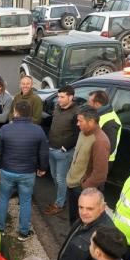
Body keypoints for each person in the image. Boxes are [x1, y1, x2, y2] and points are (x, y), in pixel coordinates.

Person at [0, 101, 49, 241]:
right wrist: (42, 168)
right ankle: (24, 232)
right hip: (28, 173)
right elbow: (43, 153)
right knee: (25, 201)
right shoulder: (38, 130)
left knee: (3, 198)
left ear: (16, 112)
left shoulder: (5, 129)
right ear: (29, 113)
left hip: (7, 170)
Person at [56, 188, 113, 260]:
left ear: (102, 207)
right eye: (81, 207)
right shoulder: (84, 220)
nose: (83, 212)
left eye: (90, 209)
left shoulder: (104, 235)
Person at [65, 107, 110, 224]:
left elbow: (100, 174)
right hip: (73, 183)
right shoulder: (83, 132)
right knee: (74, 218)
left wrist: (84, 187)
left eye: (80, 121)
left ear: (91, 122)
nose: (77, 123)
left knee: (81, 221)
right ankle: (72, 238)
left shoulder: (100, 141)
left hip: (81, 187)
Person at [45, 86, 81, 216]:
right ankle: (61, 199)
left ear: (70, 97)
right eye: (58, 96)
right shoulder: (58, 107)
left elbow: (77, 135)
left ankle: (59, 204)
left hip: (63, 153)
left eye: (62, 97)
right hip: (51, 148)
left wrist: (65, 148)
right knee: (55, 176)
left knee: (61, 179)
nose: (58, 99)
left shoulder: (76, 113)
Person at [87, 90, 121, 163]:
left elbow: (109, 148)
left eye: (89, 102)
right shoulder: (98, 115)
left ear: (96, 104)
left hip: (101, 162)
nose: (87, 104)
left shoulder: (110, 122)